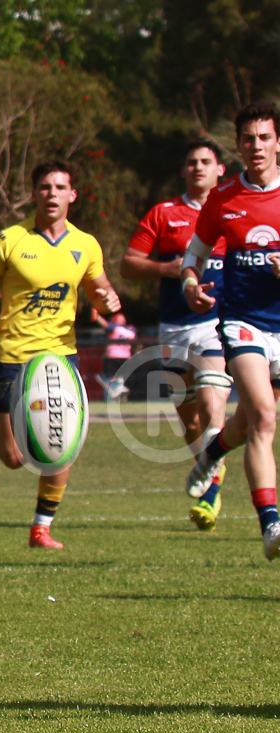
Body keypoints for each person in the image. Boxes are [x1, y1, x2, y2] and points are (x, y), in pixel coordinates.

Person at [0, 159, 122, 550]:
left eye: (59, 187)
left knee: (63, 442)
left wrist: (107, 301)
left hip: (59, 355)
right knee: (14, 459)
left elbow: (103, 299)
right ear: (34, 193)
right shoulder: (9, 240)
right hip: (12, 353)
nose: (51, 194)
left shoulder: (85, 245)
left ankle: (41, 528)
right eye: (44, 187)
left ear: (73, 195)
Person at [183, 102, 280, 559]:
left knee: (243, 424)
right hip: (245, 323)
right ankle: (271, 526)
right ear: (237, 144)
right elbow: (194, 255)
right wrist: (189, 284)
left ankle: (210, 454)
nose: (255, 146)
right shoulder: (223, 198)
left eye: (264, 137)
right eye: (248, 138)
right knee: (262, 417)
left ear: (278, 141)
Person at [121, 140, 231, 531]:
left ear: (220, 168)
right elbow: (129, 266)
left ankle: (212, 491)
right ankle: (208, 470)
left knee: (209, 399)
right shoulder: (164, 214)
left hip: (218, 324)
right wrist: (171, 270)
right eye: (191, 162)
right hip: (174, 328)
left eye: (206, 161)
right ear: (184, 170)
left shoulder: (234, 209)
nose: (198, 167)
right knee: (190, 422)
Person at [94, 311, 136, 400]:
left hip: (112, 356)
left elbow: (105, 324)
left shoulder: (115, 327)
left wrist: (96, 315)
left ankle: (111, 397)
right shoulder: (131, 329)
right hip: (125, 356)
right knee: (120, 379)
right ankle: (120, 396)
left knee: (109, 380)